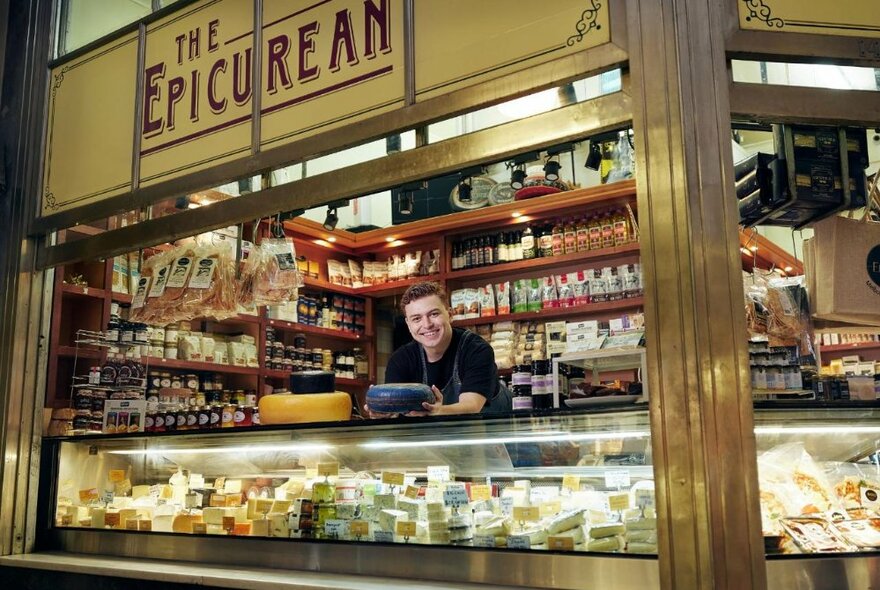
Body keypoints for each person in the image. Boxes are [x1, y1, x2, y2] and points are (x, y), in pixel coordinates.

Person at [368, 281, 511, 417]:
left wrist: (437, 412)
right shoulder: (401, 359)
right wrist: (381, 411)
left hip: (495, 436)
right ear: (408, 324)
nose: (427, 324)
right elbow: (395, 412)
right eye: (417, 318)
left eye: (434, 314)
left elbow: (471, 406)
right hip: (437, 438)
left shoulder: (476, 350)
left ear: (450, 314)